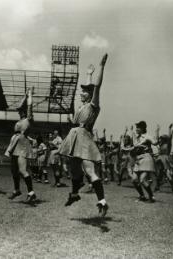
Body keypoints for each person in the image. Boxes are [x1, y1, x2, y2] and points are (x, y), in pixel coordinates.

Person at [59, 54, 109, 216]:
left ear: (89, 94)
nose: (80, 93)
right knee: (74, 170)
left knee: (89, 171)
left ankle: (102, 201)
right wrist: (88, 74)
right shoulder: (81, 107)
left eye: (83, 91)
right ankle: (74, 194)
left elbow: (97, 87)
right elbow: (88, 85)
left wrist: (101, 66)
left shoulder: (93, 105)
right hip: (75, 136)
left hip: (84, 138)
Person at [5, 88, 37, 203]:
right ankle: (17, 190)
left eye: (21, 110)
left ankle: (31, 192)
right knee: (14, 170)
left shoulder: (28, 119)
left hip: (22, 146)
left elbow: (29, 106)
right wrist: (24, 95)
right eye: (19, 110)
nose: (19, 112)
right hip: (15, 144)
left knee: (23, 170)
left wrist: (29, 95)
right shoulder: (20, 121)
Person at [129, 121, 158, 202]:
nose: (136, 129)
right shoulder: (137, 137)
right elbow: (134, 145)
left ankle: (151, 197)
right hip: (138, 159)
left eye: (138, 128)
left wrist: (157, 132)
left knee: (142, 180)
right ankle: (142, 196)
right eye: (136, 128)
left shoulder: (147, 136)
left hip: (146, 158)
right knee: (134, 180)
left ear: (142, 128)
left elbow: (155, 142)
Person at [154, 124, 173, 193]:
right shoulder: (161, 145)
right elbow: (157, 138)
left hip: (165, 160)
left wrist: (169, 129)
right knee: (159, 175)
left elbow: (170, 138)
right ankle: (157, 187)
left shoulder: (168, 145)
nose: (159, 140)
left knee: (167, 174)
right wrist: (157, 130)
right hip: (160, 160)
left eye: (161, 139)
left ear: (164, 140)